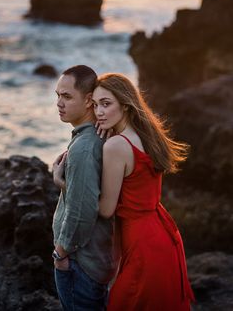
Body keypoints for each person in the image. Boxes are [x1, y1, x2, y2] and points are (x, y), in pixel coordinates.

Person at [93, 72, 195, 310]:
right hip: (163, 237)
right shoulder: (147, 135)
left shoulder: (116, 145)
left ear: (126, 106)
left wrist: (65, 184)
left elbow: (106, 210)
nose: (98, 112)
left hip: (142, 246)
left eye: (106, 104)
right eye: (96, 105)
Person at [51, 65, 119, 311]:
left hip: (80, 263)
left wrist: (61, 253)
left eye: (67, 97)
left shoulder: (85, 147)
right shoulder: (99, 138)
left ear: (89, 101)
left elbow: (83, 209)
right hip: (95, 260)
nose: (59, 103)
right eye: (58, 95)